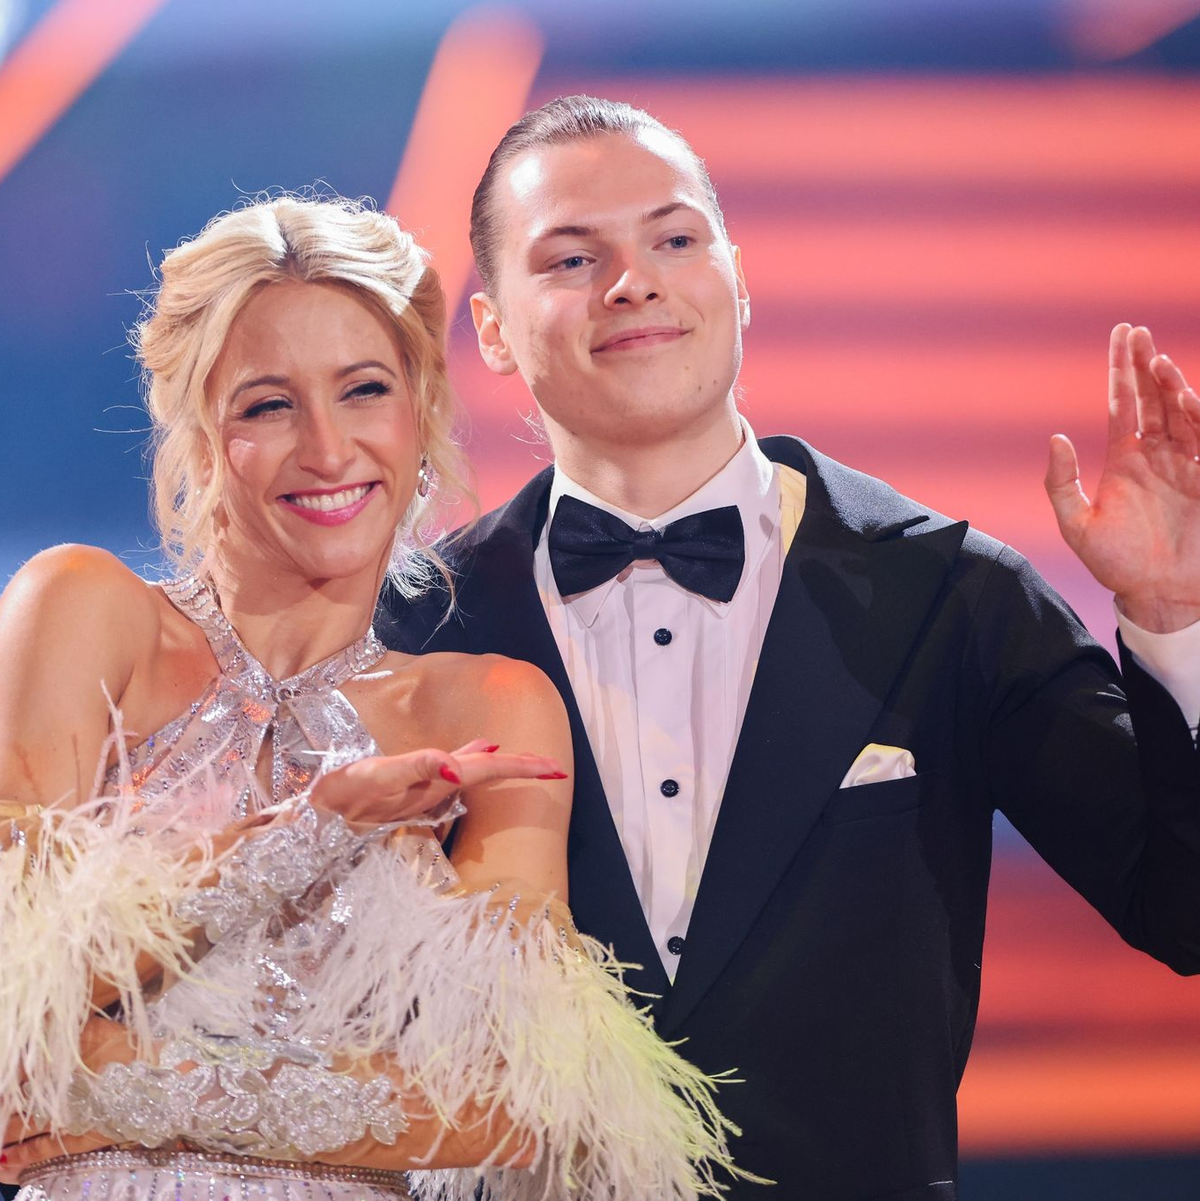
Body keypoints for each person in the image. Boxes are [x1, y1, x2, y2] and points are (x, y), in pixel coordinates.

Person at [377, 95, 1200, 1199]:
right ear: (488, 328)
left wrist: (1174, 616)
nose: (633, 282)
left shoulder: (948, 591)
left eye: (676, 239)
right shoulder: (415, 628)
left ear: (739, 277)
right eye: (573, 258)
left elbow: (1184, 913)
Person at [0, 195, 739, 1201]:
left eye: (364, 391)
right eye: (268, 405)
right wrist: (307, 831)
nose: (328, 449)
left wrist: (132, 1092)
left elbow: (515, 1096)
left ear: (421, 412)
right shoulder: (84, 608)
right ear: (201, 434)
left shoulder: (487, 707)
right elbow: (20, 992)